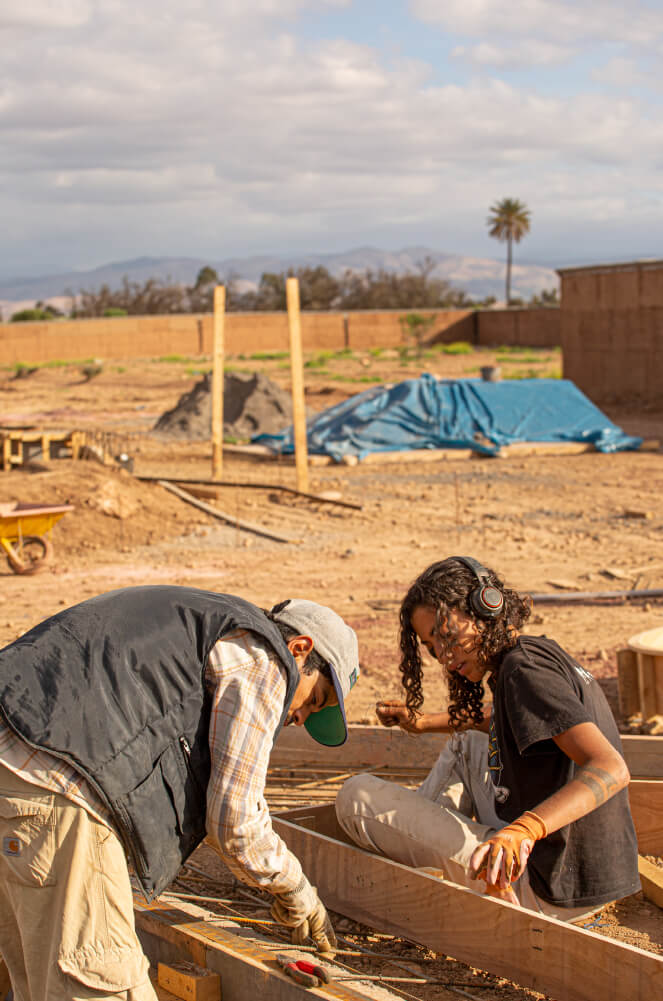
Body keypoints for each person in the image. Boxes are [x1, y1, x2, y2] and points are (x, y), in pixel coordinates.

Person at [0, 585, 360, 1001]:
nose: (299, 717)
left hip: (20, 770)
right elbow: (234, 822)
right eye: (314, 699)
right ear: (299, 648)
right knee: (101, 982)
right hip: (54, 789)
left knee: (35, 979)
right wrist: (296, 888)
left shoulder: (202, 623)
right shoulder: (265, 658)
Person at [336, 556, 639, 921]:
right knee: (468, 742)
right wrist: (423, 722)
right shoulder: (534, 653)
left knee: (355, 797)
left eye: (447, 636)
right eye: (433, 648)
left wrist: (522, 831)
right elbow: (513, 718)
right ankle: (428, 841)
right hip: (591, 874)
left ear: (485, 606)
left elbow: (611, 767)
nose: (445, 657)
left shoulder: (523, 672)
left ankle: (426, 857)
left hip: (544, 885)